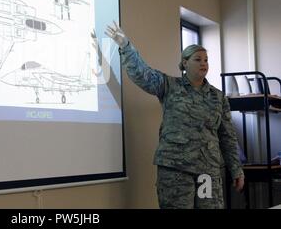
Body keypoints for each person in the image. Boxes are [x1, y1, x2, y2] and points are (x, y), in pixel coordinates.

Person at [104, 21, 244, 209]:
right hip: (176, 170)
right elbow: (143, 74)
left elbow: (227, 136)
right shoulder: (169, 86)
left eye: (206, 60)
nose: (203, 63)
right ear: (185, 63)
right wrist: (126, 46)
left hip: (207, 171)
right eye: (197, 59)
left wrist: (236, 169)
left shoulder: (217, 97)